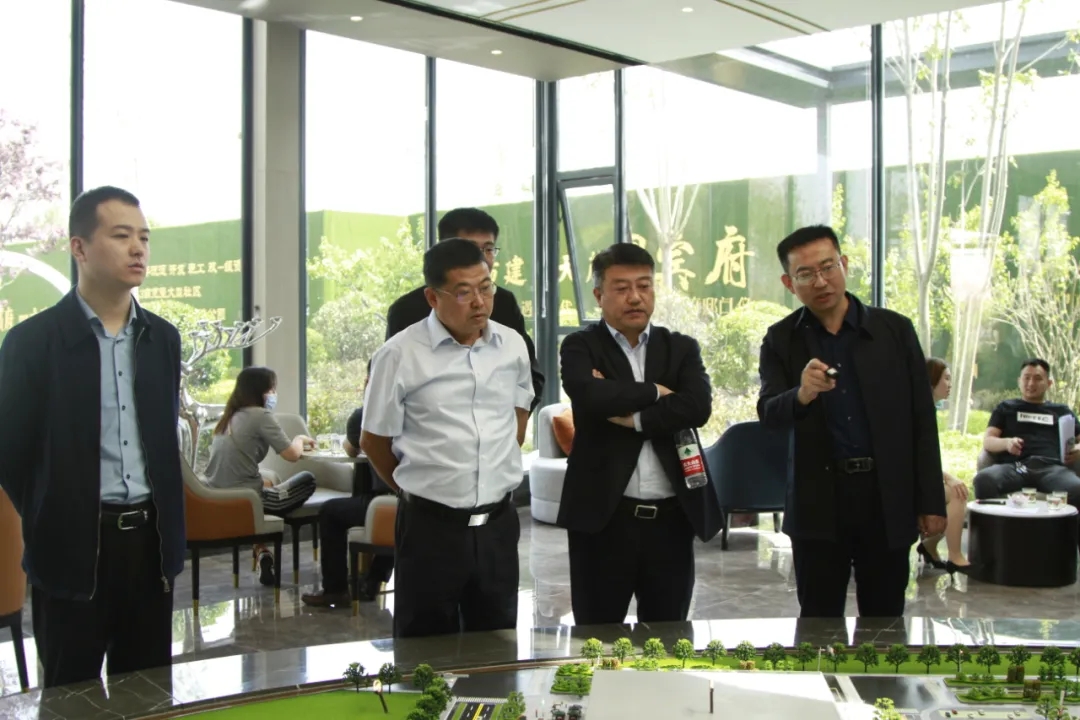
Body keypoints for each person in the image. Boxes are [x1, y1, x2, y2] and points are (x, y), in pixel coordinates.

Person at [0, 186, 185, 688]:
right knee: (70, 698)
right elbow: (11, 455)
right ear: (79, 247)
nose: (138, 248)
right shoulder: (32, 343)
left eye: (144, 237)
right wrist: (53, 509)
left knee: (147, 695)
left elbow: (163, 446)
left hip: (150, 549)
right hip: (72, 550)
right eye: (121, 236)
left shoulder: (162, 339)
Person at [757, 224, 946, 618]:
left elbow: (922, 421)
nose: (820, 281)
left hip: (886, 497)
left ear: (843, 264)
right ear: (789, 283)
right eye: (805, 274)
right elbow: (769, 413)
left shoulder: (894, 330)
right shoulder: (781, 339)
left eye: (828, 267)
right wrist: (801, 394)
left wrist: (930, 500)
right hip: (818, 502)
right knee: (818, 622)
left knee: (884, 620)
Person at [361, 239, 533, 638]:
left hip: (497, 527)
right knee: (425, 649)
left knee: (496, 645)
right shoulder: (399, 354)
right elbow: (373, 440)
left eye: (486, 288)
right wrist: (416, 489)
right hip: (430, 530)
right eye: (463, 292)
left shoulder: (511, 345)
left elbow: (519, 412)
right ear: (432, 297)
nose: (479, 302)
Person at [557, 243, 721, 625]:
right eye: (621, 288)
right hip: (603, 520)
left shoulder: (680, 348)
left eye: (644, 286)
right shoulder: (581, 346)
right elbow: (588, 394)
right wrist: (656, 392)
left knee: (668, 636)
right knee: (596, 638)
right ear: (599, 295)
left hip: (671, 520)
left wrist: (637, 419)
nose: (635, 297)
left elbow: (697, 407)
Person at [385, 207, 543, 408]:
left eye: (488, 249)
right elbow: (387, 392)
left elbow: (530, 377)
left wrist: (508, 422)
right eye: (471, 249)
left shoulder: (504, 302)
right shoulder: (406, 310)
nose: (482, 259)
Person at [204, 366, 317, 586]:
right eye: (272, 389)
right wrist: (300, 439)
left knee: (269, 479)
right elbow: (292, 455)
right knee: (308, 479)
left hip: (217, 494)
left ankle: (261, 549)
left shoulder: (229, 417)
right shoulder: (260, 415)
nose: (274, 394)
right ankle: (267, 532)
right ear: (260, 391)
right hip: (246, 499)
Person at [301, 369, 395, 608]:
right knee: (393, 512)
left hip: (384, 502)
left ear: (369, 381)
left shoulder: (365, 415)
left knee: (331, 512)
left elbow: (352, 449)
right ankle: (373, 579)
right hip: (421, 501)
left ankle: (336, 589)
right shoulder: (418, 411)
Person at [972, 358, 1080, 505]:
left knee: (1077, 489)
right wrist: (1007, 443)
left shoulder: (1062, 411)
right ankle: (994, 520)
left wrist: (1078, 449)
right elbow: (988, 441)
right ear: (1019, 381)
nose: (1031, 383)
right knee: (983, 480)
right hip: (1015, 467)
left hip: (1051, 469)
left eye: (1037, 379)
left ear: (1049, 383)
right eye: (1026, 378)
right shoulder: (1006, 408)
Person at [918, 358, 970, 571]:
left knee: (954, 490)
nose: (950, 384)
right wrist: (948, 477)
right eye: (946, 378)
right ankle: (955, 556)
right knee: (957, 494)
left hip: (920, 481)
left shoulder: (928, 409)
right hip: (906, 485)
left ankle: (929, 547)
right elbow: (914, 458)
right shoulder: (917, 412)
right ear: (932, 380)